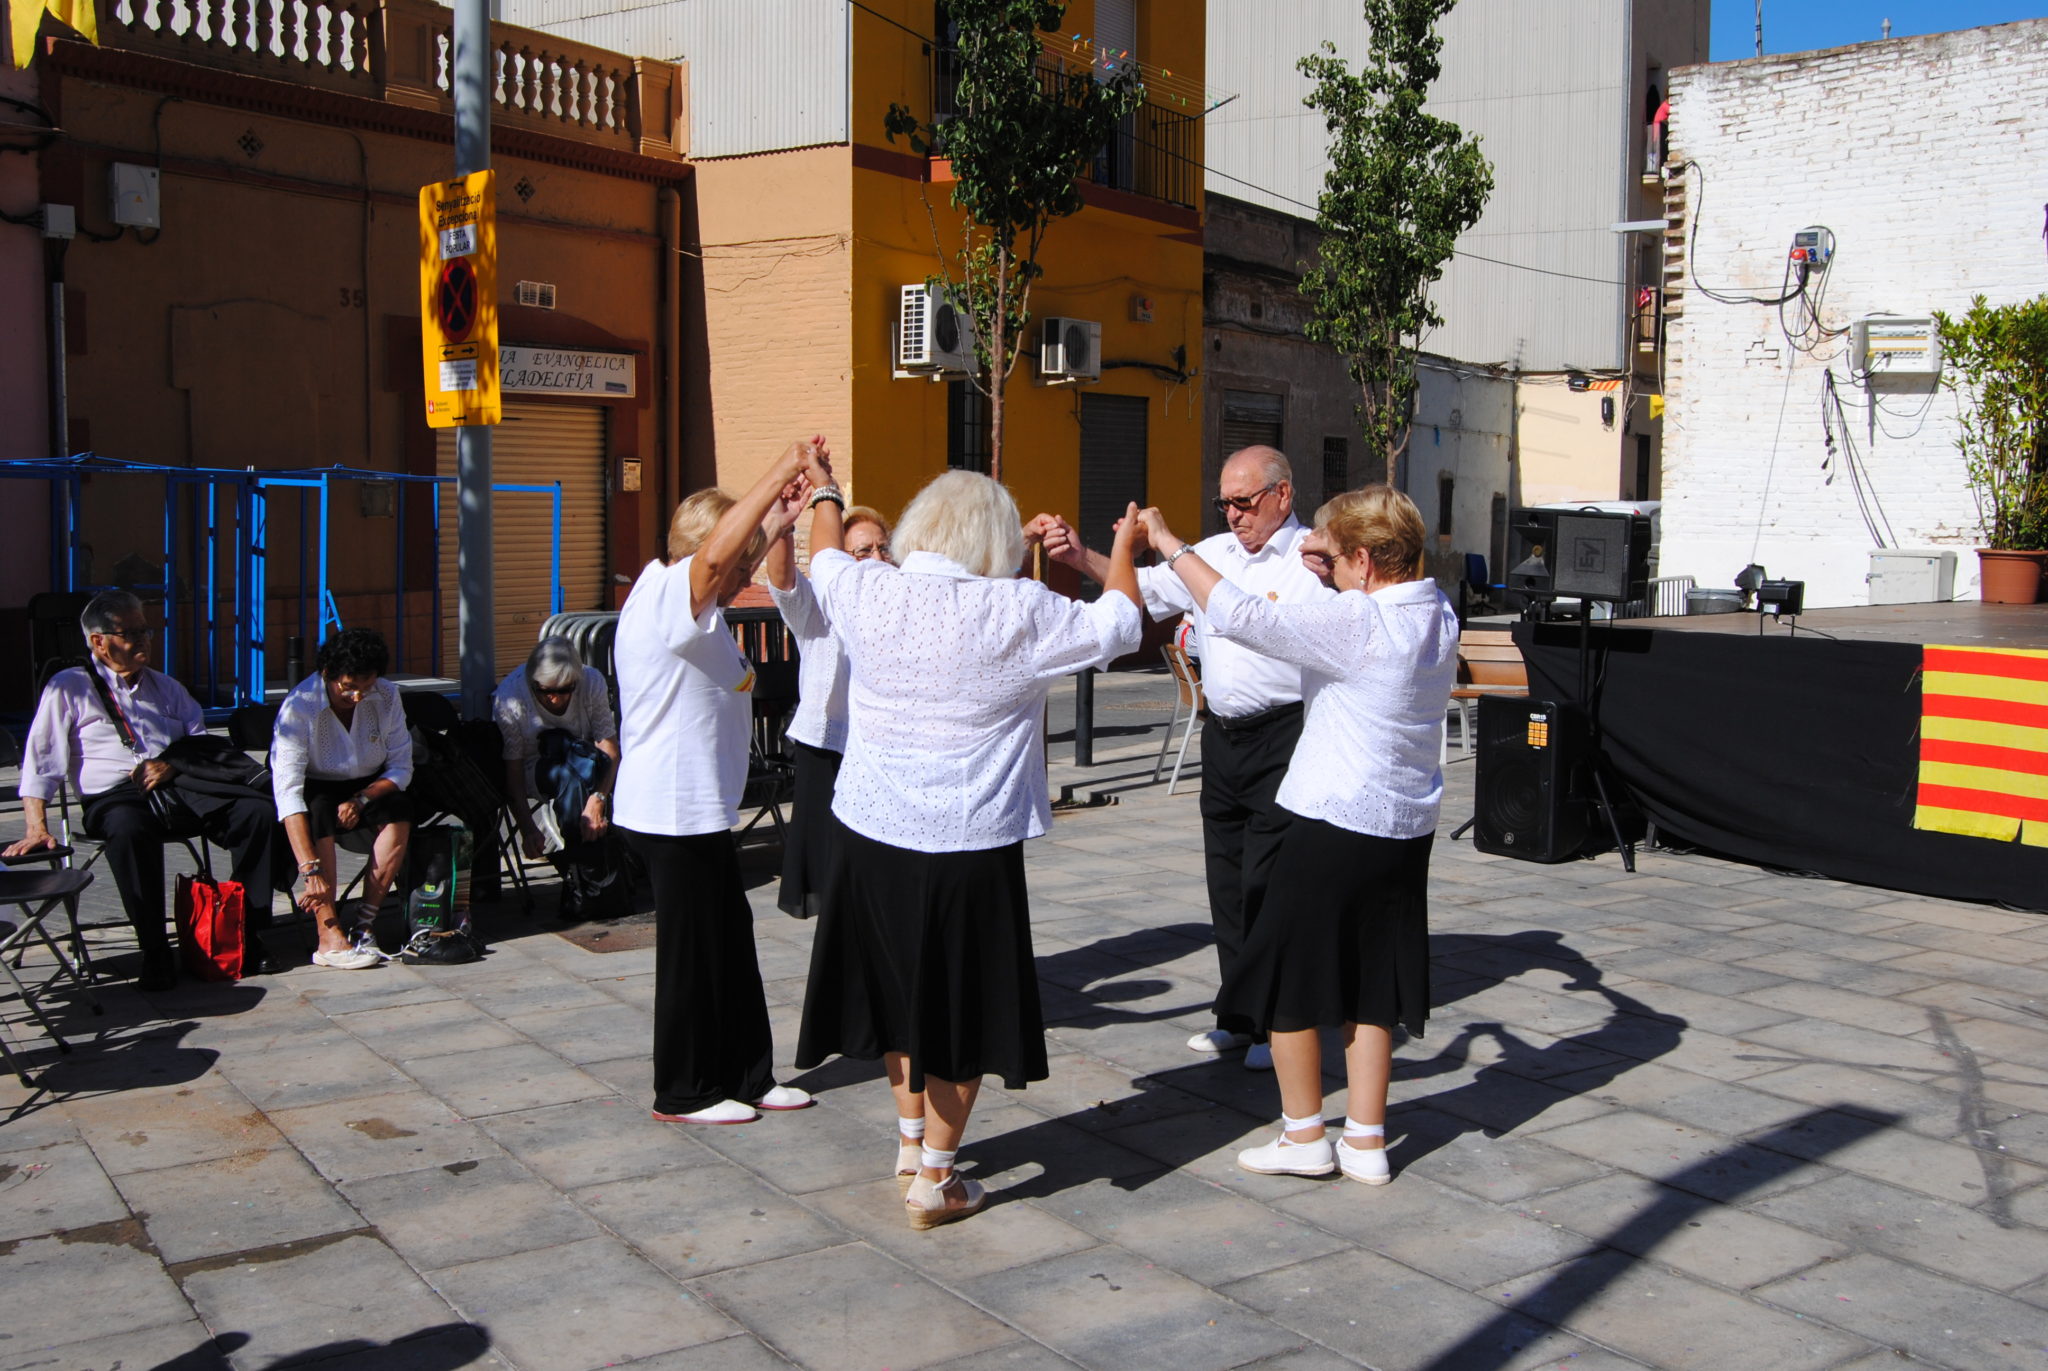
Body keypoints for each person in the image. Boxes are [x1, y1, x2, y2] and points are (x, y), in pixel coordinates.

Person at [795, 468, 1146, 1230]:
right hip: (967, 839)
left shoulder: (872, 588)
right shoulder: (1017, 607)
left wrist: (825, 489)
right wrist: (1122, 544)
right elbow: (1122, 622)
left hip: (871, 833)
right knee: (958, 1009)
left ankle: (910, 1140)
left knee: (896, 995)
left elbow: (822, 553)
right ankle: (936, 1176)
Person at [1136, 486, 1458, 1186]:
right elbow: (1345, 587)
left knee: (1287, 980)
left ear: (1364, 561)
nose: (1321, 562)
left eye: (1334, 556)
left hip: (1332, 822)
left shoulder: (1356, 622)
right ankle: (1365, 1141)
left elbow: (1242, 615)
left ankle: (1304, 1134)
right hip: (1401, 828)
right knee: (1371, 987)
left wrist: (1168, 546)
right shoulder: (1437, 611)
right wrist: (1331, 558)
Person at [1041, 446, 1330, 1071]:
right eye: (1224, 503)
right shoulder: (1212, 553)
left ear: (1282, 495)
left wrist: (1166, 541)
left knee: (1267, 884)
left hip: (1288, 733)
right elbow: (1140, 591)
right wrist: (1081, 556)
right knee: (1226, 878)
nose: (1233, 515)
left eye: (1244, 502)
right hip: (1223, 735)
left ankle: (1276, 1021)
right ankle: (1238, 1015)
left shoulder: (1311, 559)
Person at [613, 441, 826, 1126]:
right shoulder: (668, 595)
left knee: (730, 944)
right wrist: (779, 469)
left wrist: (781, 518)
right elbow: (711, 563)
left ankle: (748, 1075)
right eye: (739, 559)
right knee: (692, 955)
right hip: (670, 812)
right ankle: (684, 1091)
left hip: (700, 812)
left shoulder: (695, 610)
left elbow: (724, 563)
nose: (742, 575)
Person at [7, 590, 277, 989]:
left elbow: (201, 745)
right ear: (99, 641)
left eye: (145, 631)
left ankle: (244, 932)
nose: (143, 641)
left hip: (178, 786)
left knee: (256, 813)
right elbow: (42, 760)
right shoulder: (69, 687)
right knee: (130, 829)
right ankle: (154, 949)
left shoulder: (167, 687)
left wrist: (172, 764)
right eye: (130, 633)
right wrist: (36, 827)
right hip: (115, 796)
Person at [766, 503, 893, 919]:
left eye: (883, 548)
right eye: (863, 551)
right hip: (827, 743)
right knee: (827, 858)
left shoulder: (900, 603)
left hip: (879, 745)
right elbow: (782, 578)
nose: (876, 558)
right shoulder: (817, 606)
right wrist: (782, 523)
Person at [272, 627, 415, 971]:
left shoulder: (387, 695)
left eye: (366, 687)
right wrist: (310, 871)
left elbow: (401, 766)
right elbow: (288, 792)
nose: (357, 697)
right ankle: (328, 932)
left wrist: (362, 799)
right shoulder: (299, 707)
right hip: (317, 786)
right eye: (348, 687)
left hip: (369, 785)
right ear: (328, 674)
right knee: (317, 811)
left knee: (401, 811)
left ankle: (366, 922)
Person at [493, 636, 621, 917]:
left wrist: (598, 799)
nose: (555, 698)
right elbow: (513, 770)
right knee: (569, 779)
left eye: (565, 690)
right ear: (533, 683)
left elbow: (610, 749)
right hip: (536, 766)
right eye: (545, 691)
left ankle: (580, 880)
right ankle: (591, 878)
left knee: (582, 776)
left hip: (586, 764)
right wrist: (527, 828)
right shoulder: (510, 697)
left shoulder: (591, 682)